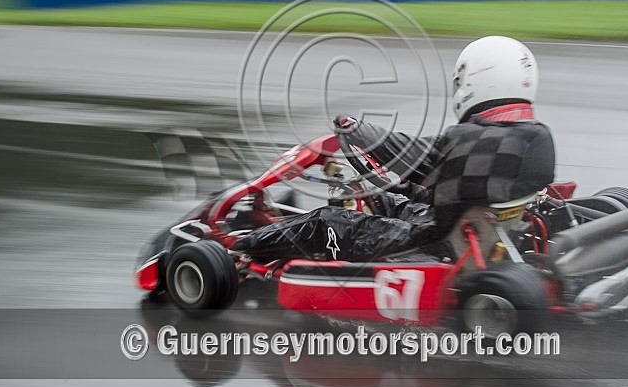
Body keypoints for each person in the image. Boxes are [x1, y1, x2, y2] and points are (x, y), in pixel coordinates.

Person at [233, 36, 556, 262]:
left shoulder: (473, 138)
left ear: (478, 80)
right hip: (470, 228)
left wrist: (356, 130)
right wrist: (402, 187)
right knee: (379, 199)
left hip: (432, 244)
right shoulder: (536, 136)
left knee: (326, 221)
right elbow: (460, 186)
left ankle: (238, 249)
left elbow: (414, 156)